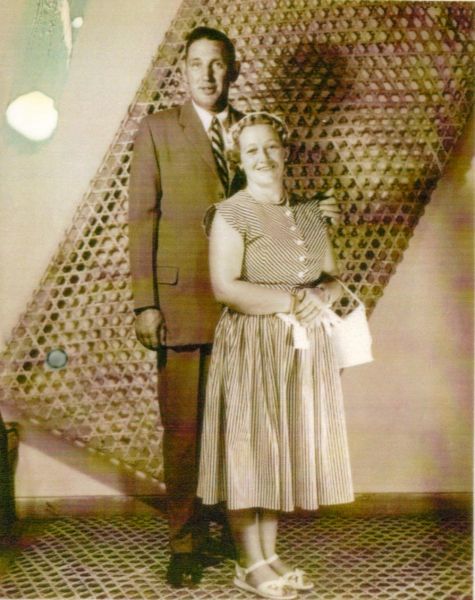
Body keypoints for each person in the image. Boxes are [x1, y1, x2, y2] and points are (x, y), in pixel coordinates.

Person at [197, 112, 354, 599]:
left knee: (277, 451)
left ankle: (267, 556)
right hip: (251, 346)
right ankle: (248, 563)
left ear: (285, 152)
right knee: (250, 452)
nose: (263, 157)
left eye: (270, 147)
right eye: (251, 150)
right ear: (238, 161)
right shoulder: (231, 213)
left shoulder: (309, 212)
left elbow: (331, 277)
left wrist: (322, 294)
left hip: (298, 348)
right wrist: (293, 300)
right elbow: (225, 288)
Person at [128, 26, 244, 587]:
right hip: (180, 302)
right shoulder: (157, 130)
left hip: (241, 305)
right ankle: (184, 544)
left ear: (232, 70)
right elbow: (141, 219)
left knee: (237, 427)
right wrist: (145, 304)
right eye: (196, 63)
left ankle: (237, 530)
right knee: (183, 431)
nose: (207, 74)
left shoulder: (251, 131)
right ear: (184, 72)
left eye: (216, 63)